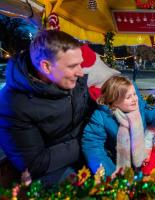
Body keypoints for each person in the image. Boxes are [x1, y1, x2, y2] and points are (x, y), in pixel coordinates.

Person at [0, 30, 94, 186]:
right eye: (73, 66)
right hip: (52, 170)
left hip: (84, 149)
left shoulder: (72, 81)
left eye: (81, 63)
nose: (81, 72)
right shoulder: (12, 104)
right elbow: (36, 163)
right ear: (46, 67)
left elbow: (89, 110)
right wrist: (89, 140)